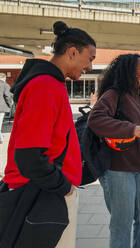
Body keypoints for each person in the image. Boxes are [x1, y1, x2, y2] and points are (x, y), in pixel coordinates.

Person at [2, 21, 96, 247]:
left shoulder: (48, 83)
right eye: (90, 58)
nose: (90, 67)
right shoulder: (46, 86)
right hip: (41, 193)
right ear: (72, 52)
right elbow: (29, 156)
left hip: (41, 190)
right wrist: (64, 187)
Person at [87, 54, 140, 248]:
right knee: (122, 223)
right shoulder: (114, 94)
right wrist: (129, 129)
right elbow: (95, 119)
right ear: (127, 71)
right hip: (118, 169)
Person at [0, 72, 12, 144]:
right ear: (4, 78)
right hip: (1, 108)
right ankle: (0, 138)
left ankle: (0, 137)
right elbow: (7, 96)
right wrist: (10, 105)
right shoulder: (5, 85)